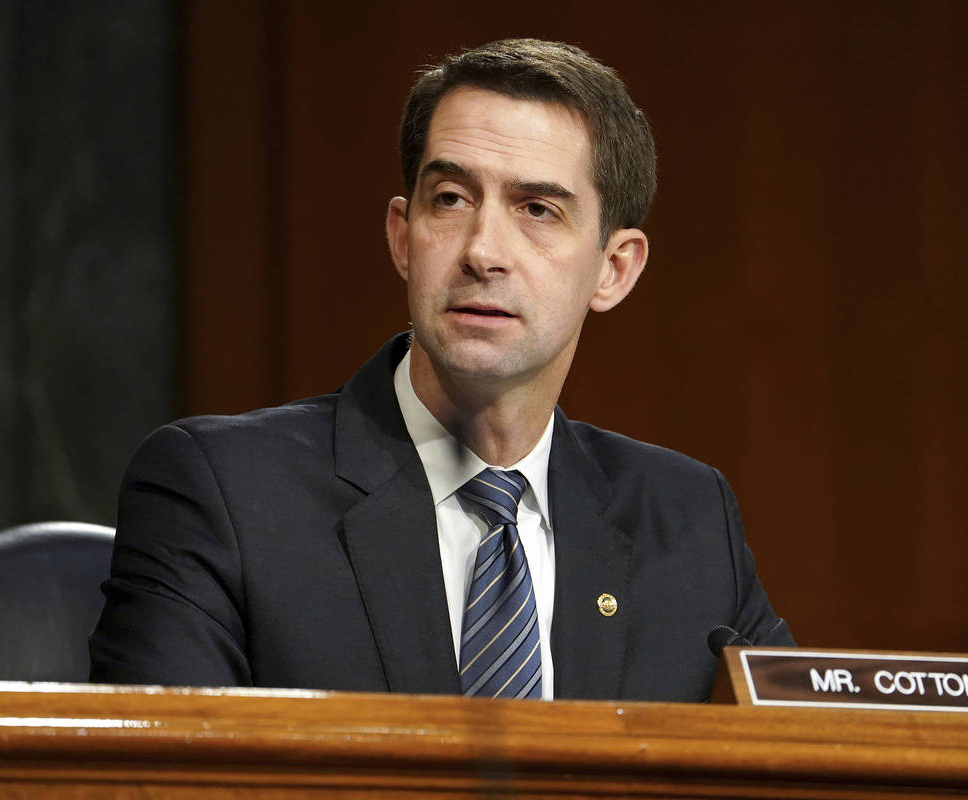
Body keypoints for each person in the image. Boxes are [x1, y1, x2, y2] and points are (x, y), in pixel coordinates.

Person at [89, 38, 792, 701]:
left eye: (537, 209)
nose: (483, 250)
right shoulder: (222, 493)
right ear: (403, 236)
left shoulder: (688, 518)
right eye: (451, 199)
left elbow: (805, 757)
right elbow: (161, 778)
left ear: (614, 269)